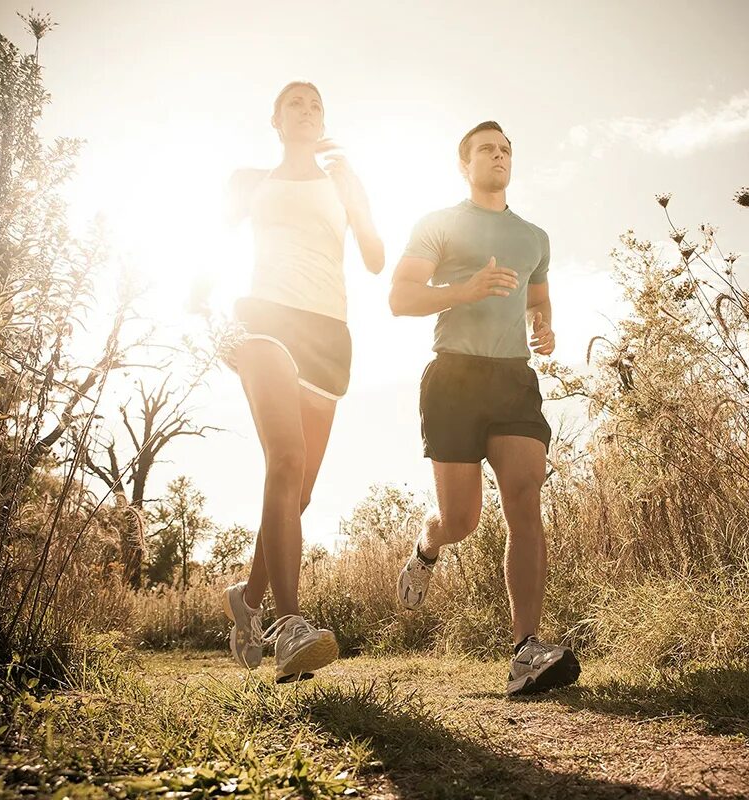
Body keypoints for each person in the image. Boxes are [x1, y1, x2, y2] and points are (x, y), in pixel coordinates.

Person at [389, 120, 579, 696]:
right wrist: (463, 291)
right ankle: (428, 544)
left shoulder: (534, 237)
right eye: (486, 150)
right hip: (453, 377)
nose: (498, 157)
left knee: (524, 496)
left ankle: (526, 649)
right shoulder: (439, 225)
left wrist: (543, 328)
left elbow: (537, 299)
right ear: (463, 163)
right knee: (462, 521)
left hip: (512, 380)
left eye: (505, 150)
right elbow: (400, 298)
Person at [217, 81, 384, 683]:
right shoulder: (249, 181)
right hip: (263, 319)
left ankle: (249, 598)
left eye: (316, 104)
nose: (307, 110)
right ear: (276, 119)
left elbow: (373, 258)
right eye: (295, 103)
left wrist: (360, 204)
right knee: (284, 460)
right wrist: (203, 306)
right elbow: (210, 240)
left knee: (301, 491)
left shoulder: (342, 182)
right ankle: (290, 624)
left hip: (328, 335)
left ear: (324, 120)